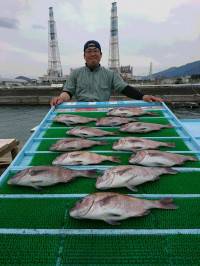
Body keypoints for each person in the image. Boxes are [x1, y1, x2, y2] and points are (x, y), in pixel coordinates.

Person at [50, 40, 163, 106]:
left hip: (103, 110)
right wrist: (61, 98)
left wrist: (143, 96)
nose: (92, 54)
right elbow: (68, 92)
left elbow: (124, 88)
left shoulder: (110, 74)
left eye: (96, 51)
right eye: (89, 52)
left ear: (101, 55)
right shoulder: (75, 73)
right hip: (80, 109)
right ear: (84, 56)